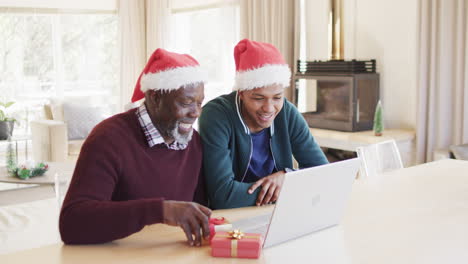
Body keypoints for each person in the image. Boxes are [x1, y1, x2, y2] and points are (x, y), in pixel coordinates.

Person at [59, 49, 211, 247]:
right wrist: (161, 211)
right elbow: (72, 223)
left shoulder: (193, 142)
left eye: (200, 103)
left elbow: (198, 210)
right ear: (155, 98)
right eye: (186, 102)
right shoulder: (108, 138)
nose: (196, 113)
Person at [198, 39, 328, 209]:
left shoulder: (287, 112)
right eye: (258, 98)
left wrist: (287, 177)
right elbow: (223, 196)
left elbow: (324, 174)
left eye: (277, 97)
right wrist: (287, 188)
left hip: (278, 212)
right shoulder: (216, 115)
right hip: (231, 219)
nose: (269, 108)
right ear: (242, 93)